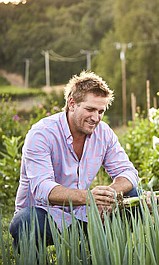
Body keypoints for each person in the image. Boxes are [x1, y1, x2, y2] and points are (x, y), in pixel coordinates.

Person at [9, 71, 139, 247]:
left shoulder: (104, 132)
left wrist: (109, 194)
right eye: (90, 109)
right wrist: (90, 198)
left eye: (101, 111)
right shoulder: (42, 134)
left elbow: (128, 172)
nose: (96, 118)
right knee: (25, 222)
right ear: (72, 104)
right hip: (45, 215)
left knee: (133, 196)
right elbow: (42, 188)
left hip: (84, 215)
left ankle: (103, 255)